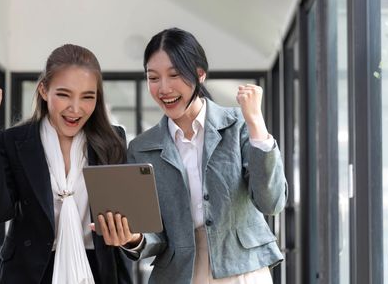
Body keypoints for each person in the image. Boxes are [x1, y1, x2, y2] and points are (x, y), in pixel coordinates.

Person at [96, 28, 287, 283]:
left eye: (174, 75)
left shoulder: (239, 125)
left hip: (242, 269)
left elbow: (271, 202)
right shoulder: (142, 147)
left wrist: (256, 123)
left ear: (199, 74)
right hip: (180, 274)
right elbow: (155, 234)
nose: (163, 88)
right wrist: (133, 238)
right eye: (153, 78)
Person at [0, 44, 133, 284]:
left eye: (88, 96)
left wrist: (129, 237)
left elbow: (124, 220)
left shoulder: (113, 140)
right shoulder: (15, 141)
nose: (75, 109)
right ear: (44, 90)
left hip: (96, 270)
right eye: (64, 94)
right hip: (31, 272)